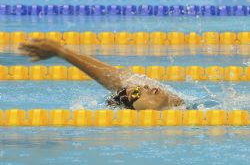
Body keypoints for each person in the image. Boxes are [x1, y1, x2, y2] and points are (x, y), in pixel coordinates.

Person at [18, 39, 184, 110]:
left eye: (139, 88)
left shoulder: (179, 105)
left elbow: (114, 78)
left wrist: (62, 51)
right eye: (136, 93)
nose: (146, 86)